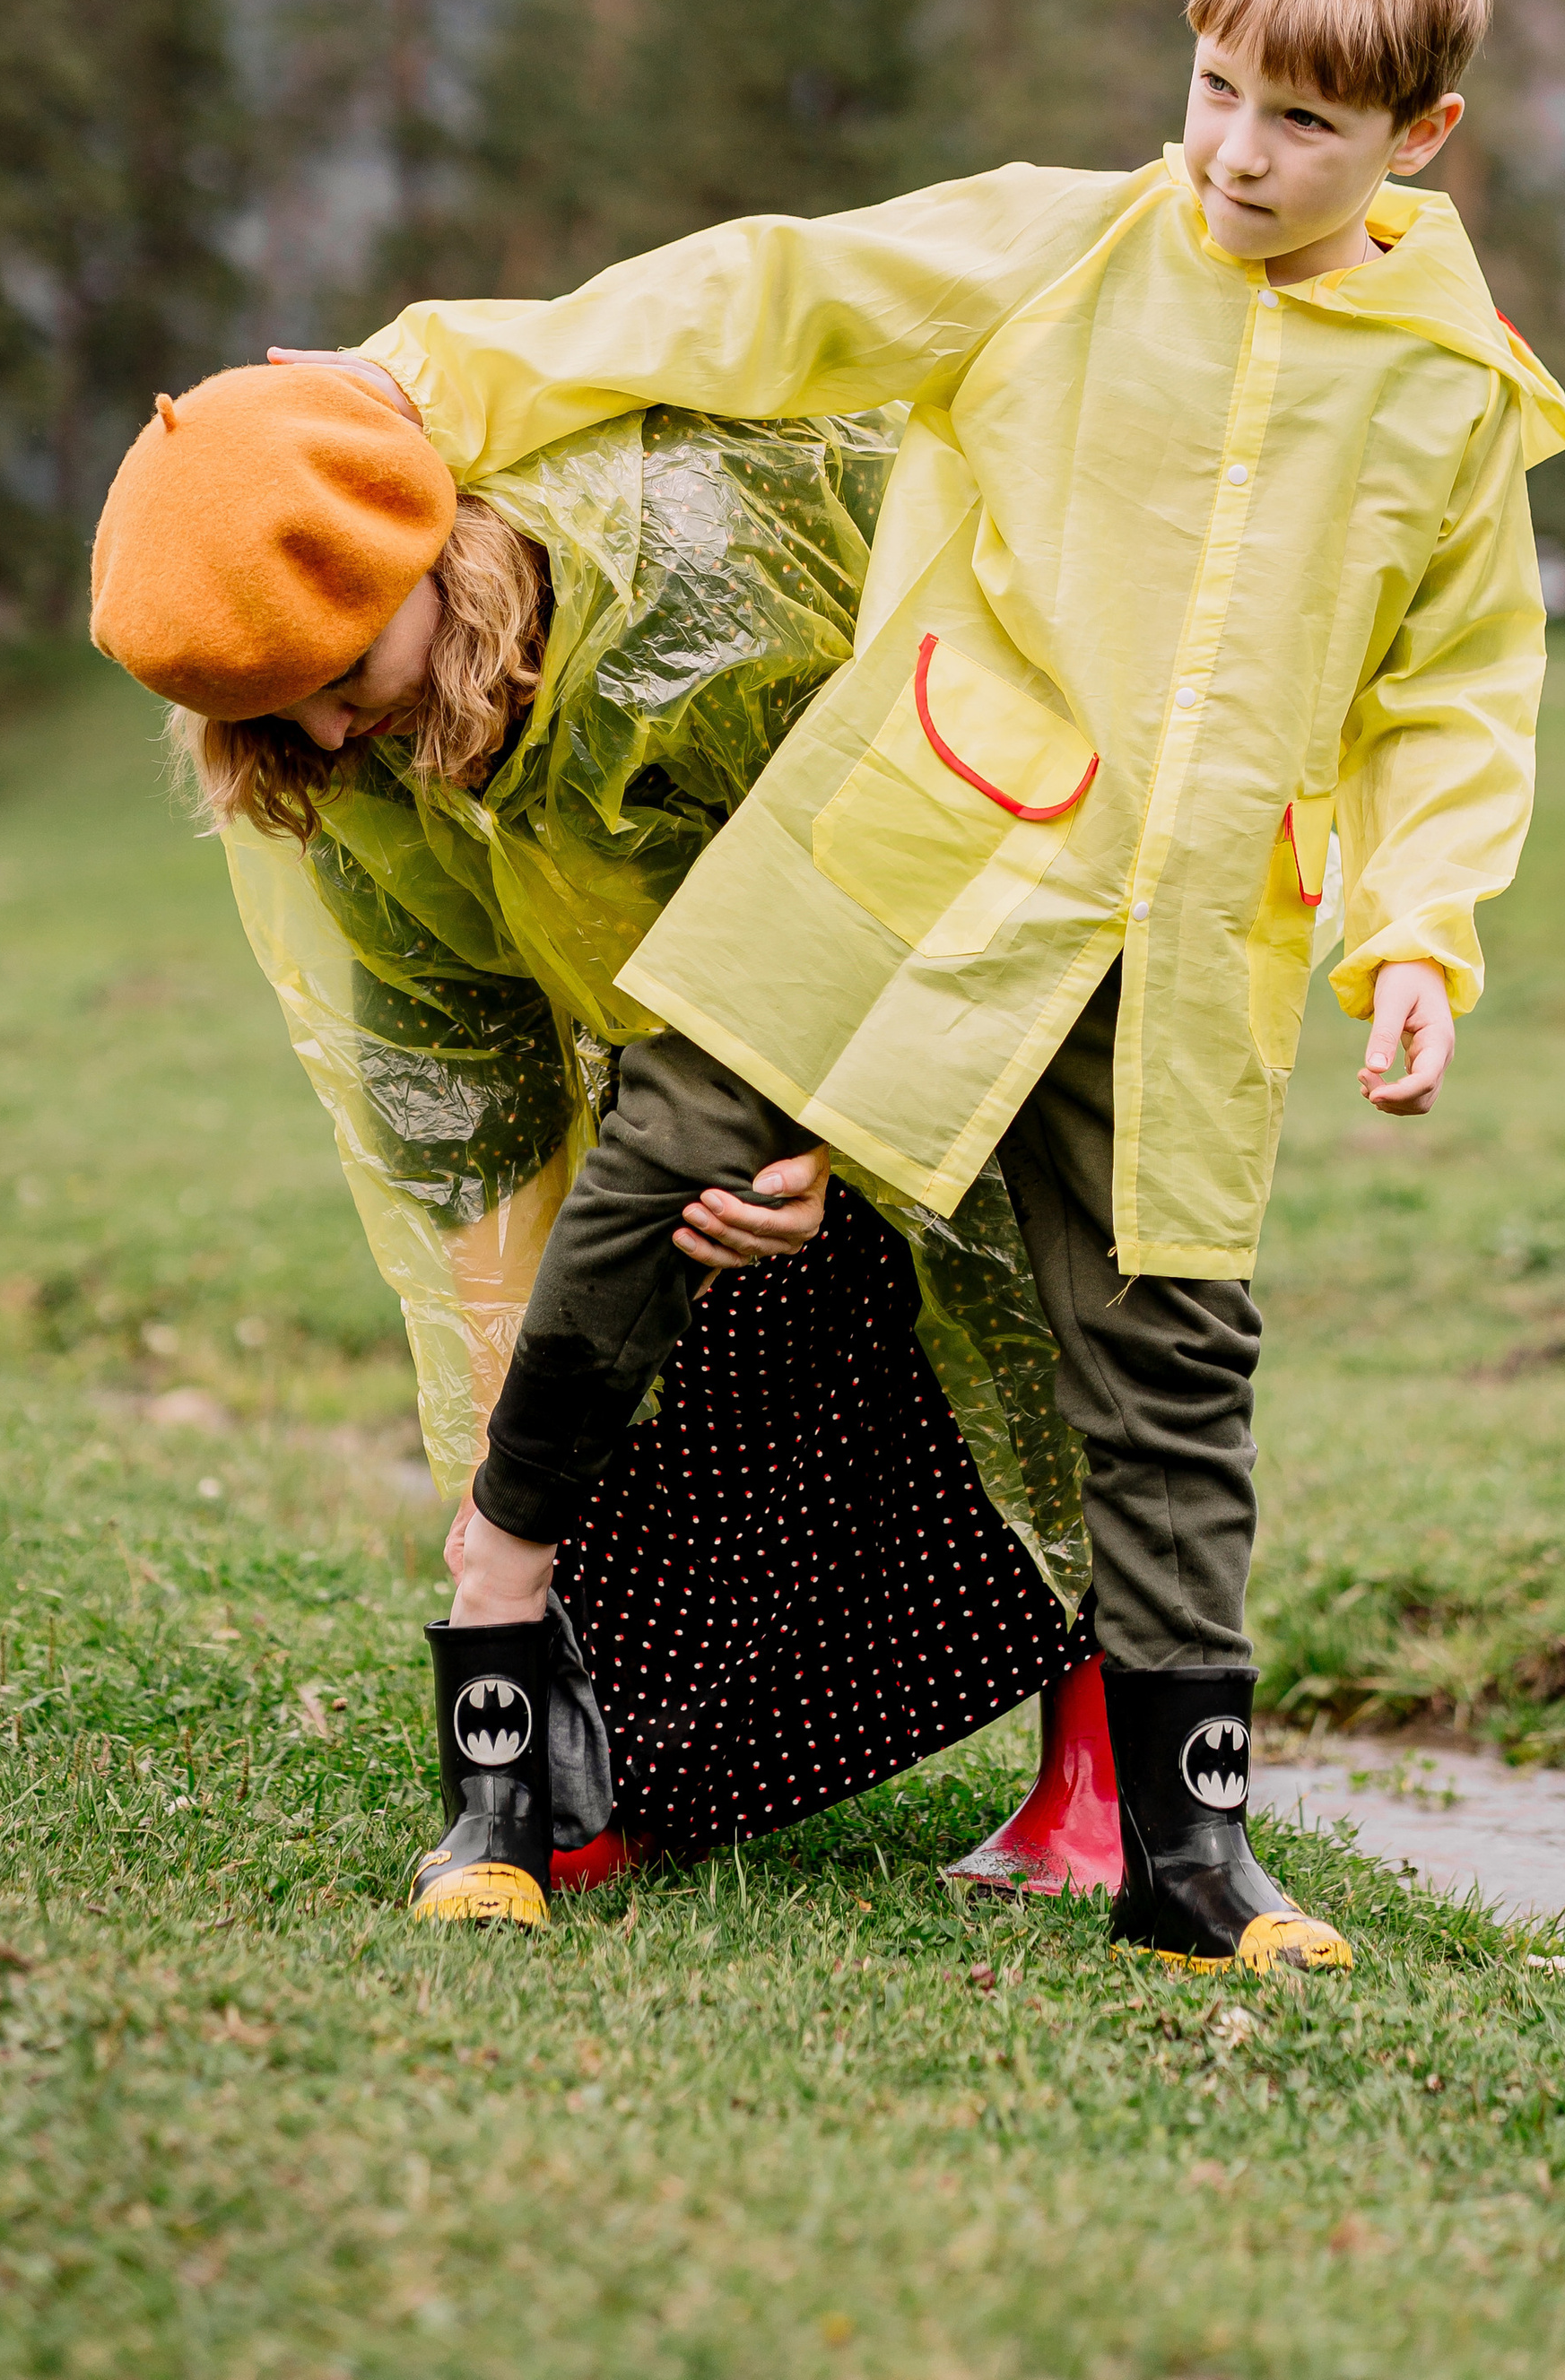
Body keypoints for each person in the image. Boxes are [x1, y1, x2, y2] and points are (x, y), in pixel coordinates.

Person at [329, 0, 1565, 1979]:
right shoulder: (1064, 245)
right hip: (911, 850)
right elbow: (769, 294)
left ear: (1415, 138)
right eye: (1211, 88)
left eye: (1299, 121)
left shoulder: (1449, 394)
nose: (1234, 153)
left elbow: (1455, 690)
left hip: (1188, 945)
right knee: (654, 1179)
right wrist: (432, 385)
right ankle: (500, 1712)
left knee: (1169, 1351)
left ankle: (1190, 1855)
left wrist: (1417, 936)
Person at [88, 383, 1093, 1921]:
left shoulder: (699, 594)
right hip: (693, 1092)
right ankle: (612, 1771)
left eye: (343, 674)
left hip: (990, 944)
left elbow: (921, 834)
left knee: (1037, 1319)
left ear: (426, 558)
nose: (327, 731)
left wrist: (833, 1113)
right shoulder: (352, 773)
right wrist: (520, 1475)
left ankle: (1096, 1777)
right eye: (270, 715)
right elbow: (466, 1105)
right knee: (662, 1363)